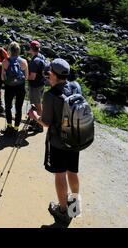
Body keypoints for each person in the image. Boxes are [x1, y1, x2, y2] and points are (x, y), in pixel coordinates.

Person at [28, 58, 83, 225]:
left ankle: (62, 210)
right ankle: (75, 206)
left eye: (49, 72)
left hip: (59, 142)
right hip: (75, 137)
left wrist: (34, 116)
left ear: (52, 74)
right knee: (72, 171)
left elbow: (46, 123)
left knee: (60, 174)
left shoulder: (50, 95)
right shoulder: (75, 86)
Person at [1, 42, 29, 135]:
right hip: (20, 87)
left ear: (9, 50)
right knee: (19, 108)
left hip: (9, 87)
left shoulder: (5, 62)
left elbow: (2, 77)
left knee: (8, 107)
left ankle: (9, 127)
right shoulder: (24, 62)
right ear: (18, 51)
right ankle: (16, 128)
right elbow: (27, 76)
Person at [27, 40, 47, 133]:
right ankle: (36, 122)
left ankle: (39, 125)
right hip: (41, 84)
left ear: (31, 48)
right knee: (38, 104)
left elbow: (32, 77)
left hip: (35, 86)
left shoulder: (34, 61)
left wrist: (23, 77)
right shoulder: (41, 56)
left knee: (37, 105)